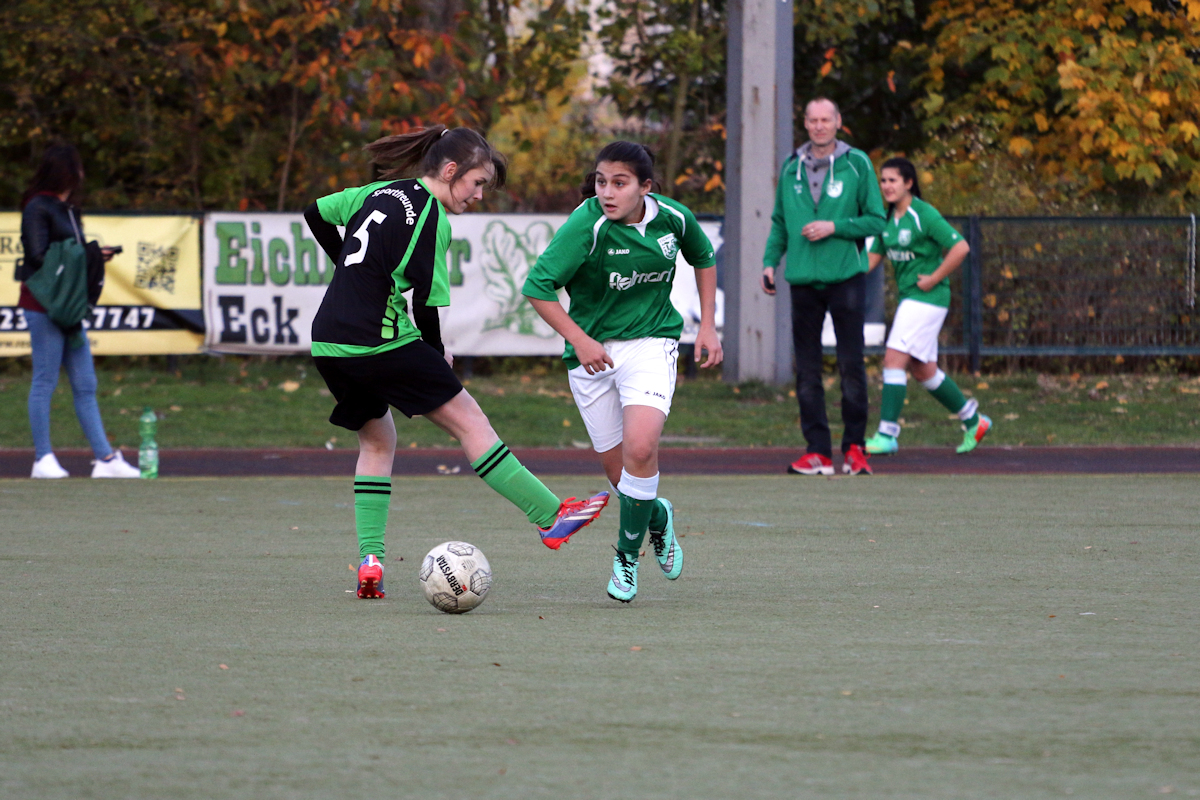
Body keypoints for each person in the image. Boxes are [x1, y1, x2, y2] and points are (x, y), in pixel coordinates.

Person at [303, 125, 609, 599]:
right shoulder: (432, 219)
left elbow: (315, 212)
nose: (480, 194)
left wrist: (348, 263)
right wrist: (434, 353)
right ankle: (551, 516)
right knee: (470, 422)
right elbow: (426, 304)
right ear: (450, 171)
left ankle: (369, 560)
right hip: (378, 341)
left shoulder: (380, 190)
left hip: (328, 342)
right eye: (478, 183)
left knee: (378, 440)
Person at [522, 141, 721, 603]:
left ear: (645, 187)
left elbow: (704, 256)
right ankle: (657, 517)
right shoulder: (586, 224)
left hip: (652, 343)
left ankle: (626, 558)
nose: (607, 192)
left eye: (619, 183)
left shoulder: (674, 218)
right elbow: (537, 287)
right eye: (601, 181)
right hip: (591, 357)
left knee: (641, 447)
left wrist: (707, 325)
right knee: (623, 478)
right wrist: (579, 338)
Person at [762, 98, 886, 476]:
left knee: (851, 365)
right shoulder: (790, 167)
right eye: (812, 120)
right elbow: (780, 221)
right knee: (808, 369)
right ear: (805, 123)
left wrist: (835, 228)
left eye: (825, 120)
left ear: (838, 122)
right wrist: (770, 261)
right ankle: (817, 451)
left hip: (846, 277)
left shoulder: (857, 163)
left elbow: (877, 221)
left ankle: (855, 449)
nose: (819, 126)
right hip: (801, 280)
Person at [17, 143, 140, 479]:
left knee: (85, 381)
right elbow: (38, 256)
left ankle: (105, 459)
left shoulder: (68, 208)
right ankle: (42, 458)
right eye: (78, 168)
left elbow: (68, 253)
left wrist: (93, 256)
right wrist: (85, 255)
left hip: (68, 306)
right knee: (45, 379)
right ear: (66, 171)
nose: (83, 174)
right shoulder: (37, 207)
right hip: (44, 304)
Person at [863, 157, 992, 455]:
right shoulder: (886, 220)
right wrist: (834, 274)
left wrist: (934, 278)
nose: (886, 186)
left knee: (893, 360)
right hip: (913, 299)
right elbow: (870, 260)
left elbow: (961, 247)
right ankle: (974, 420)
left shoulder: (924, 214)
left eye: (893, 180)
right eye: (883, 180)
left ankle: (887, 435)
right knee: (923, 370)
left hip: (928, 298)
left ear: (909, 183)